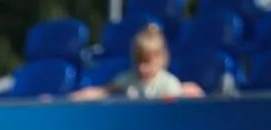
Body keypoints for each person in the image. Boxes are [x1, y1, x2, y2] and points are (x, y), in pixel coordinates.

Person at [72, 24, 204, 101]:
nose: (142, 68)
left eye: (147, 62)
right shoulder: (129, 78)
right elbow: (104, 90)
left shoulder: (168, 83)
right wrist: (72, 98)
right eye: (138, 61)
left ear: (161, 59)